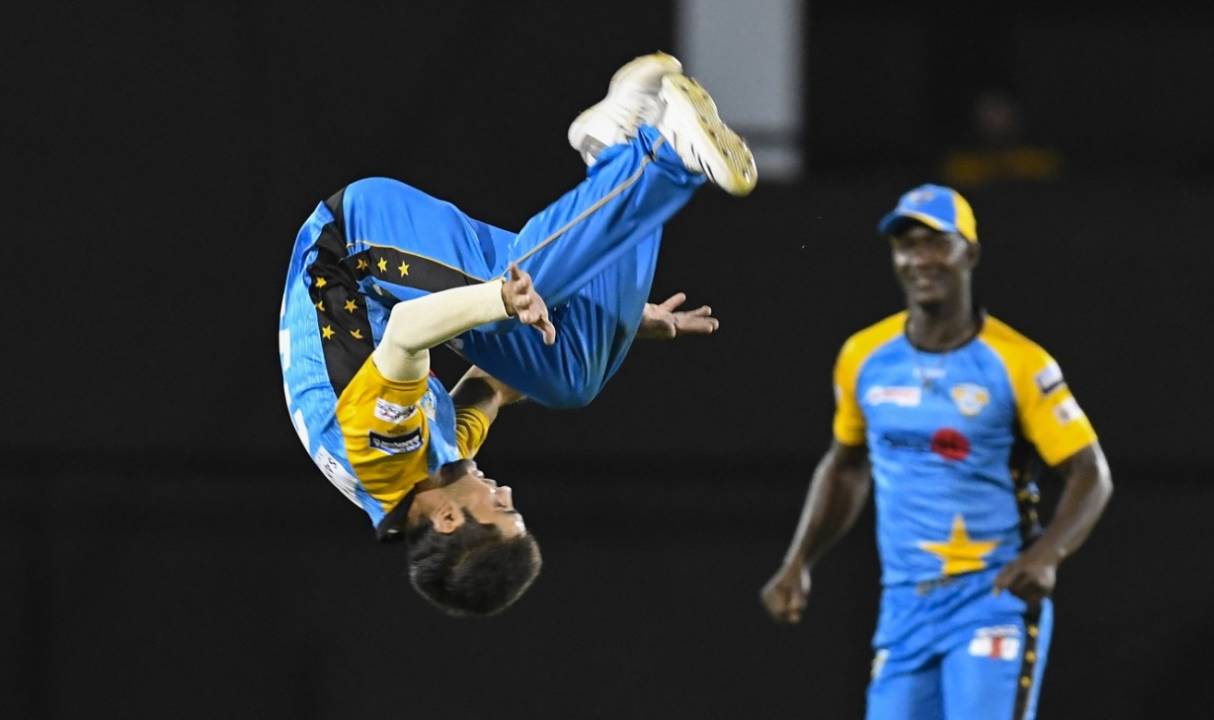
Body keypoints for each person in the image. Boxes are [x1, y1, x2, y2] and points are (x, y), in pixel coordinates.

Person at [278, 52, 756, 617]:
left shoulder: (381, 452)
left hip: (354, 247)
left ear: (451, 519)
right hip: (392, 286)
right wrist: (618, 324)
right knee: (573, 378)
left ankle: (660, 152)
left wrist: (498, 299)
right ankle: (615, 143)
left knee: (522, 291)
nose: (505, 493)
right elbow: (500, 383)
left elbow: (407, 333)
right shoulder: (442, 464)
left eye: (502, 510)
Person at [760, 185, 1112, 719]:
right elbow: (846, 466)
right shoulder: (864, 357)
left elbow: (1090, 472)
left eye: (934, 243)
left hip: (991, 600)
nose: (919, 259)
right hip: (905, 607)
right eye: (906, 245)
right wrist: (798, 562)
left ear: (968, 252)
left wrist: (1047, 554)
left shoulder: (1018, 363)